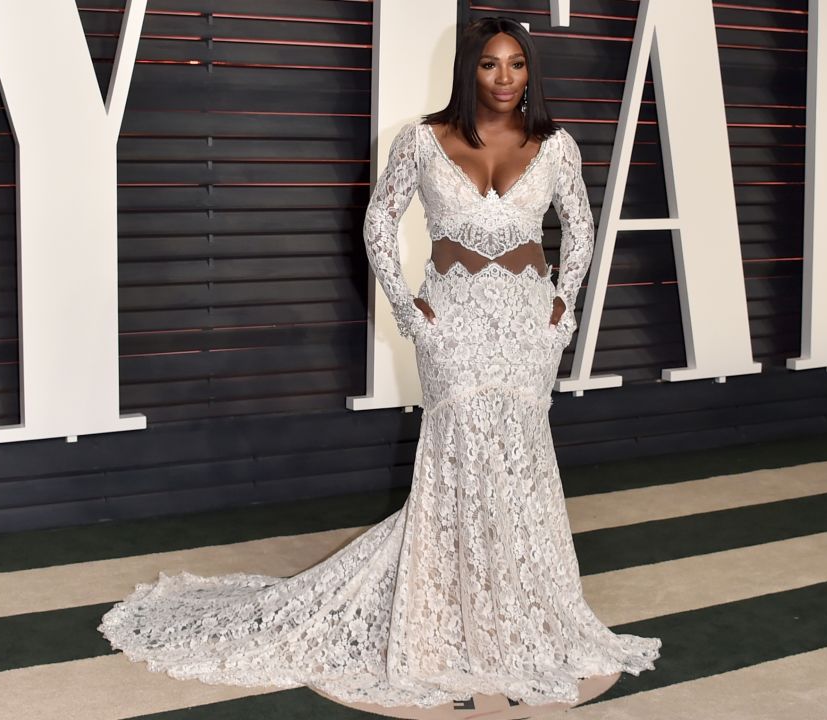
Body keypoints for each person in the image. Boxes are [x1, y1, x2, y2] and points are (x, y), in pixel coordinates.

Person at [98, 16, 662, 710]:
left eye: (517, 64)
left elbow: (580, 227)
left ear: (530, 72)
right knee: (459, 456)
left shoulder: (557, 145)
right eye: (490, 65)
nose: (505, 77)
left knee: (518, 461)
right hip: (450, 321)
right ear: (469, 71)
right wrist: (407, 304)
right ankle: (450, 620)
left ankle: (520, 610)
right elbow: (377, 219)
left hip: (525, 327)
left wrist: (562, 307)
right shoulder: (423, 140)